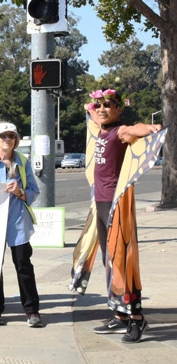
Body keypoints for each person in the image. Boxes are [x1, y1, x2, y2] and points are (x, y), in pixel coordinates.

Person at [86, 88, 162, 343]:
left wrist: (150, 129)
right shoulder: (101, 126)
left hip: (115, 203)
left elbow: (134, 129)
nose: (102, 109)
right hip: (100, 202)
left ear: (119, 109)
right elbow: (92, 111)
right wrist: (93, 108)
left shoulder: (119, 131)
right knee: (109, 262)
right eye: (99, 105)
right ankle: (119, 315)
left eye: (108, 105)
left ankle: (137, 319)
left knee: (123, 262)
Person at [0, 121, 43, 327]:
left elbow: (33, 191)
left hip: (17, 220)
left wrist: (19, 192)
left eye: (11, 136)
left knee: (24, 265)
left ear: (16, 140)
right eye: (3, 136)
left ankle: (32, 311)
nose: (7, 140)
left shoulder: (22, 160)